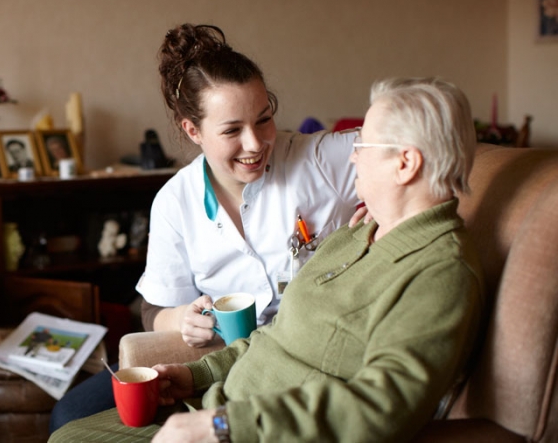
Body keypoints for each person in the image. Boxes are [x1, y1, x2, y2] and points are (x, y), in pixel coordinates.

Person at [49, 77, 486, 443]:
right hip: (221, 404)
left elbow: (385, 407)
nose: (352, 154)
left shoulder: (441, 272)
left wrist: (219, 425)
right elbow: (276, 334)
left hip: (247, 429)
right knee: (67, 433)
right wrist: (196, 375)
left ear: (406, 163)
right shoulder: (355, 236)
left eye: (363, 144)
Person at [48, 23, 362, 432]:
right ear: (192, 130)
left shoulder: (318, 160)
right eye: (232, 130)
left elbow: (412, 146)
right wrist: (181, 318)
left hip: (307, 351)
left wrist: (384, 205)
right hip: (222, 358)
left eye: (264, 119)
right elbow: (153, 310)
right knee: (68, 416)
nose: (255, 144)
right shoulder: (175, 202)